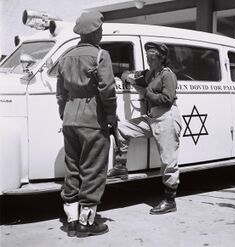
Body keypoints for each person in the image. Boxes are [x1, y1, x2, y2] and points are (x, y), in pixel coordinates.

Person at [56, 10, 117, 237]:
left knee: (72, 168)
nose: (101, 33)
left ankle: (71, 221)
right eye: (100, 30)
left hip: (70, 119)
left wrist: (65, 114)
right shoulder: (101, 55)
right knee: (92, 170)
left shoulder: (66, 55)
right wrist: (111, 116)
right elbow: (107, 90)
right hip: (93, 120)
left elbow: (60, 93)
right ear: (95, 32)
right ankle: (86, 224)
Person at [108, 42, 183, 214]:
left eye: (152, 58)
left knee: (168, 161)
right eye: (148, 57)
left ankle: (170, 200)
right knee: (121, 128)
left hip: (167, 118)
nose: (149, 61)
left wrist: (146, 92)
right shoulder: (151, 73)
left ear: (162, 58)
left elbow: (167, 99)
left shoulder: (167, 75)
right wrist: (125, 76)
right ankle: (121, 165)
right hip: (152, 117)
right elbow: (132, 76)